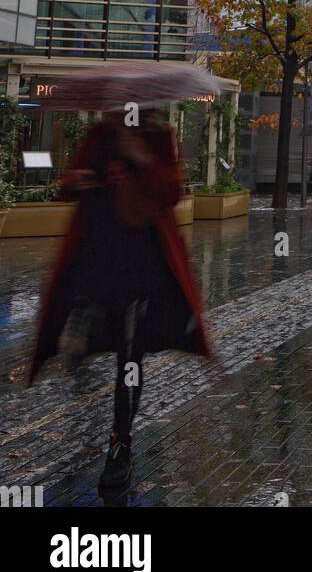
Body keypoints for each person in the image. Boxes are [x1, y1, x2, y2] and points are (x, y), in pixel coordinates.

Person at [29, 113, 209, 494]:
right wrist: (78, 180)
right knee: (98, 319)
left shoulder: (157, 136)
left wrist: (141, 156)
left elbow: (172, 192)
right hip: (98, 262)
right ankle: (83, 323)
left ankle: (120, 442)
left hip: (141, 267)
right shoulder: (101, 135)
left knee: (130, 354)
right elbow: (68, 185)